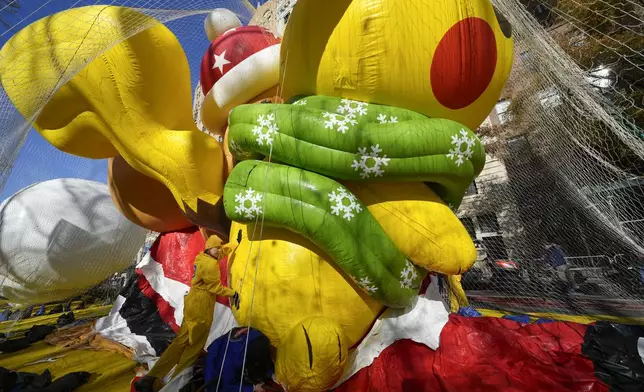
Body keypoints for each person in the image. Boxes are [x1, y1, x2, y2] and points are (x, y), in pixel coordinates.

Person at [134, 235, 240, 392]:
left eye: (219, 248)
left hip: (192, 303)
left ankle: (151, 378)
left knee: (181, 341)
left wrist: (234, 244)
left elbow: (221, 252)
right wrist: (233, 293)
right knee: (194, 346)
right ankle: (176, 382)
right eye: (216, 248)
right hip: (202, 306)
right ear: (209, 248)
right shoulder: (210, 266)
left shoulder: (202, 257)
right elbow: (214, 287)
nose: (219, 251)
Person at [204, 327, 280, 392]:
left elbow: (266, 358)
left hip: (238, 348)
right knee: (215, 386)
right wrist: (252, 388)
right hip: (217, 356)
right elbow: (228, 386)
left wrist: (272, 373)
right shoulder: (229, 362)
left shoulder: (260, 337)